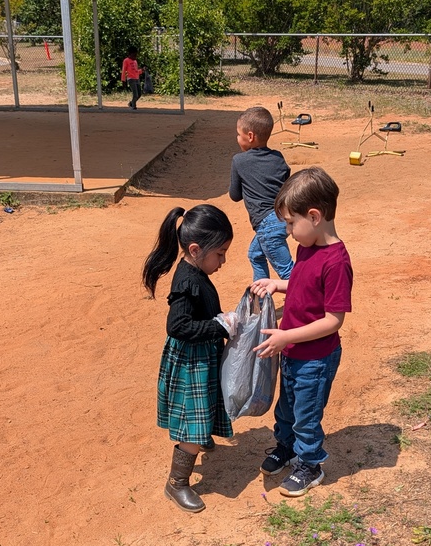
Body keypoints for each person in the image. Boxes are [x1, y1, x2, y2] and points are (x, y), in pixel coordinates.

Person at [250, 167, 353, 497]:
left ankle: (311, 464)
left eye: (292, 223)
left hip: (316, 358)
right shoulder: (307, 247)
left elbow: (333, 320)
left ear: (314, 215)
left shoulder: (336, 262)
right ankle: (287, 447)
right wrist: (279, 284)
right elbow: (303, 284)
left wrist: (286, 337)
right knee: (287, 407)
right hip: (293, 351)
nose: (289, 231)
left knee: (306, 414)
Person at [143, 205, 238, 513]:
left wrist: (220, 319)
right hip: (190, 363)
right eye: (220, 254)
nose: (222, 261)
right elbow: (178, 326)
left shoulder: (196, 271)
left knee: (204, 408)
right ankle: (177, 484)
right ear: (196, 250)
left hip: (202, 357)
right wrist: (218, 325)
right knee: (192, 426)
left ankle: (201, 435)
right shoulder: (187, 282)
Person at [229, 106, 294, 282]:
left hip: (267, 224)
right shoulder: (278, 157)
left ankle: (311, 302)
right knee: (255, 255)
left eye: (238, 134)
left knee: (288, 273)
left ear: (250, 136)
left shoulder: (239, 161)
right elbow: (284, 182)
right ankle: (261, 304)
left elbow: (234, 195)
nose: (237, 138)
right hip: (284, 218)